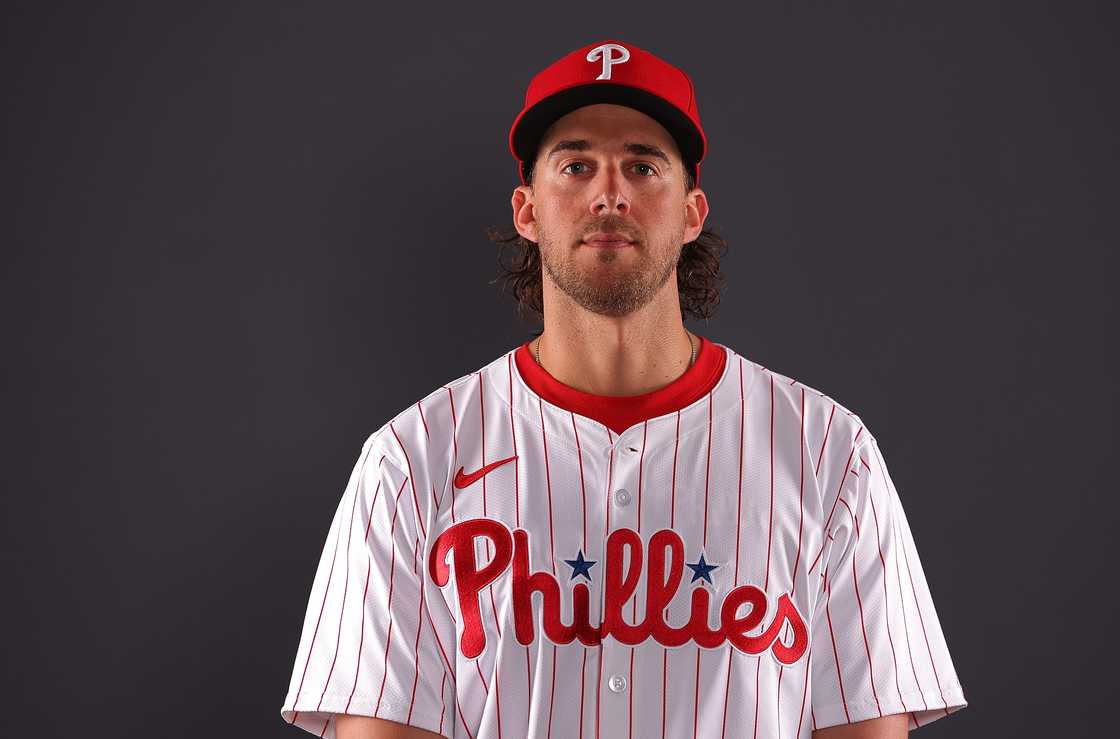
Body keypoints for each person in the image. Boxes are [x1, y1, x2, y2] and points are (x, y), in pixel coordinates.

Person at [280, 39, 967, 739]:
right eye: (576, 164)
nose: (609, 193)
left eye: (642, 165)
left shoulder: (828, 452)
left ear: (693, 212)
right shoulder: (410, 460)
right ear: (526, 209)